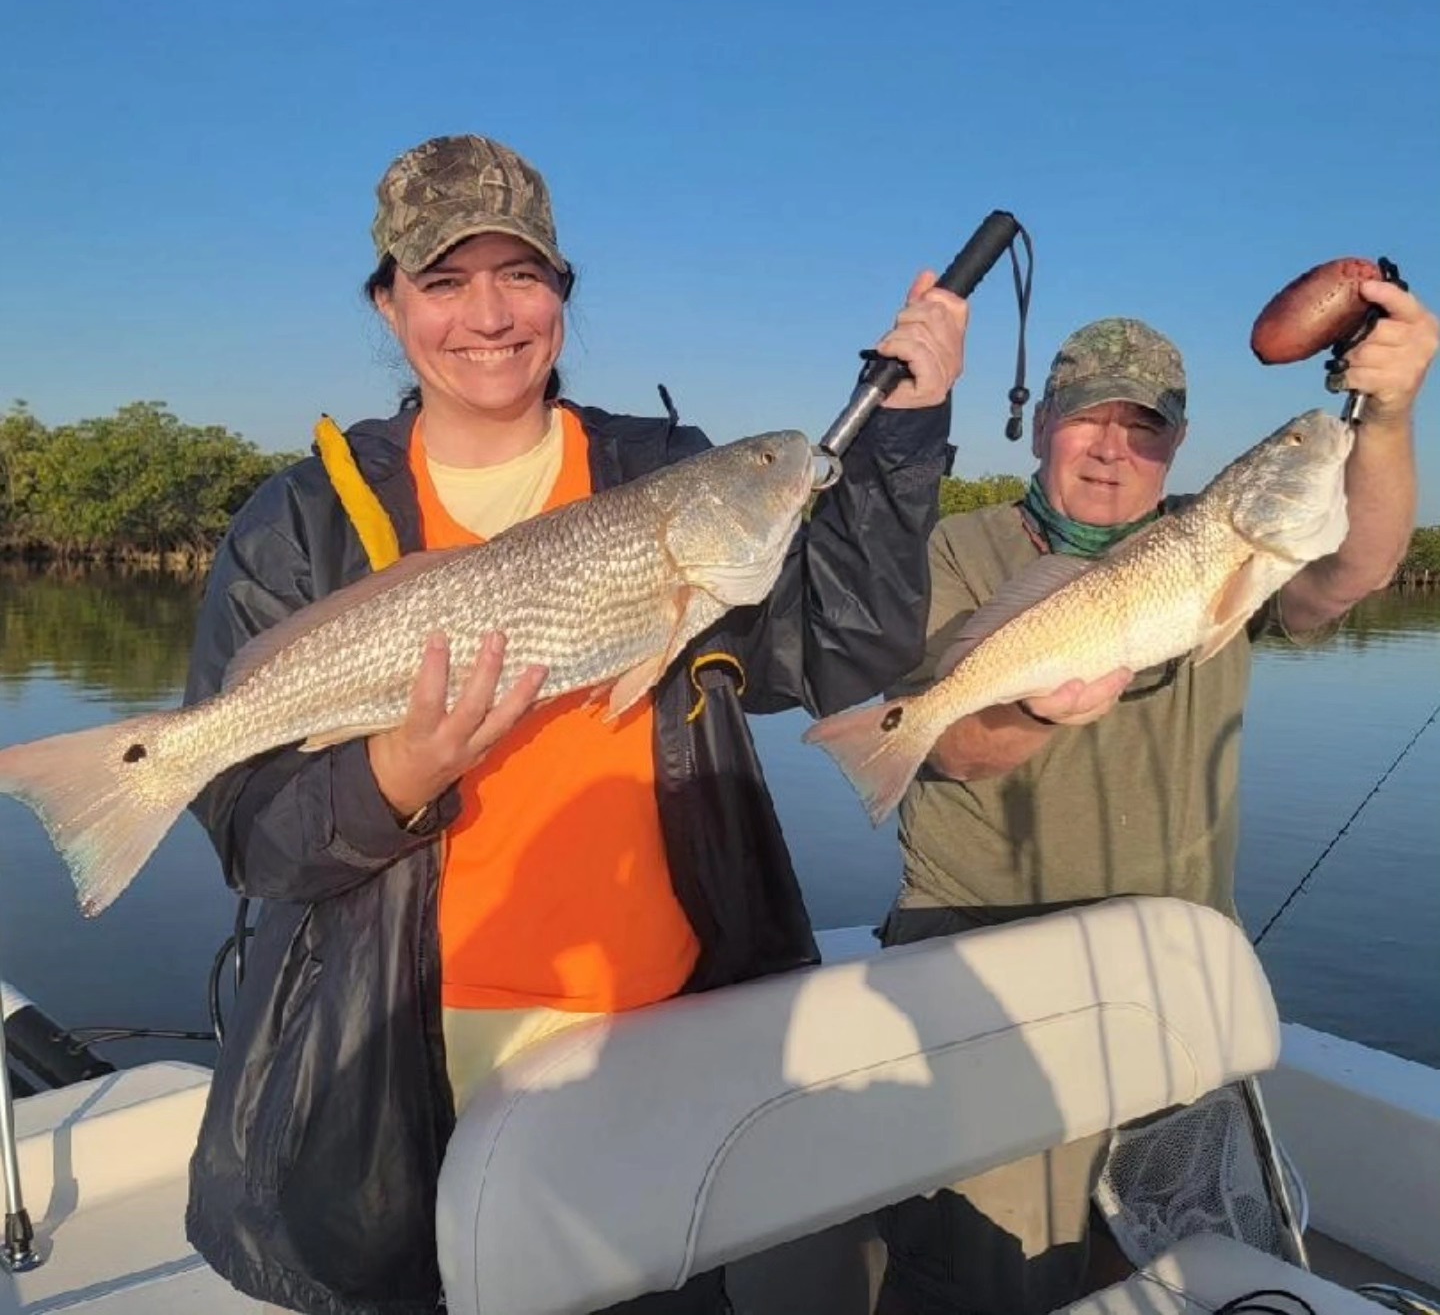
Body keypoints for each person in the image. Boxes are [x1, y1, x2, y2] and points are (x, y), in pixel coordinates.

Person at [181, 133, 969, 1315]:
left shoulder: (664, 472)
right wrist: (395, 775)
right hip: (407, 1072)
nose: (488, 315)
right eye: (444, 280)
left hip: (660, 1042)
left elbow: (842, 646)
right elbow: (259, 841)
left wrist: (906, 432)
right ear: (389, 304)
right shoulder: (300, 524)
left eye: (522, 275)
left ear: (563, 291)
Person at [873, 297, 1438, 1315]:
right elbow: (947, 747)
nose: (1110, 450)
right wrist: (1034, 710)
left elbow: (1357, 570)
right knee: (983, 1275)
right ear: (1041, 426)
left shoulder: (1224, 544)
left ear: (1178, 444)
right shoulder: (955, 548)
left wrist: (1389, 415)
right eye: (1087, 419)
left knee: (1162, 1272)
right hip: (984, 963)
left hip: (1175, 971)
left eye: (1143, 427)